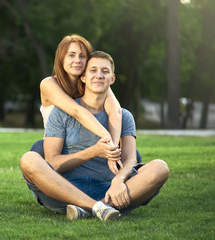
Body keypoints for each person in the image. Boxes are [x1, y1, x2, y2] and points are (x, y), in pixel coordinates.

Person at [20, 51, 170, 221]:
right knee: (29, 159)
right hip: (67, 190)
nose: (99, 75)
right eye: (93, 70)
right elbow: (53, 163)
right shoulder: (62, 113)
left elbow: (130, 160)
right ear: (83, 77)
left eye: (105, 71)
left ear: (112, 79)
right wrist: (94, 151)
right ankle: (98, 207)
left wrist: (118, 181)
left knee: (160, 167)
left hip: (109, 190)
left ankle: (92, 208)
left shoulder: (124, 116)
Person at [29, 34, 125, 175]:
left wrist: (113, 150)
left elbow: (115, 111)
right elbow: (76, 111)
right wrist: (109, 140)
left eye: (82, 56)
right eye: (71, 55)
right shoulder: (49, 84)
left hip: (92, 145)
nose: (77, 61)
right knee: (38, 149)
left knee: (130, 153)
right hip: (61, 149)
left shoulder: (94, 81)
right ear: (61, 58)